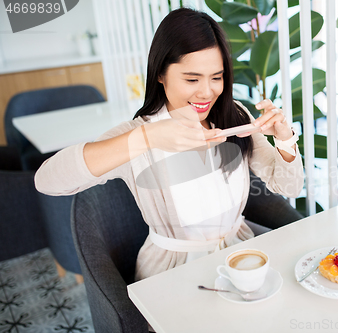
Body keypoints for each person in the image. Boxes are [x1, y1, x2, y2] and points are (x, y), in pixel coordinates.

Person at [35, 7, 304, 281]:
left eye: (217, 77)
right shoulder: (139, 133)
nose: (207, 92)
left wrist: (284, 138)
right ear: (160, 74)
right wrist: (145, 139)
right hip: (173, 271)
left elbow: (288, 186)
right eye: (191, 79)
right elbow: (47, 181)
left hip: (240, 255)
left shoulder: (234, 116)